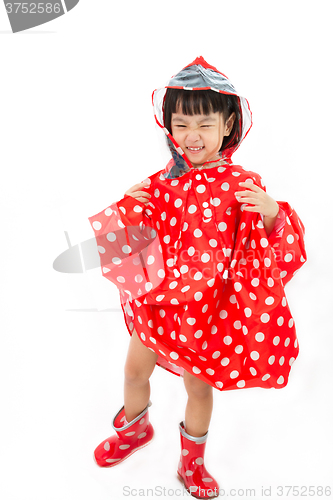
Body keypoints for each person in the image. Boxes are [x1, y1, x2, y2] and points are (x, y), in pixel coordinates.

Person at [88, 56, 307, 499]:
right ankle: (136, 429)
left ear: (228, 125)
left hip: (209, 315)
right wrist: (131, 207)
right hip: (158, 306)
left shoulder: (241, 184)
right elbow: (131, 246)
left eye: (204, 125)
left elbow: (269, 251)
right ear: (168, 125)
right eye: (182, 124)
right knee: (133, 372)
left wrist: (272, 215)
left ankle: (193, 461)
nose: (192, 136)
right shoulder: (160, 184)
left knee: (198, 387)